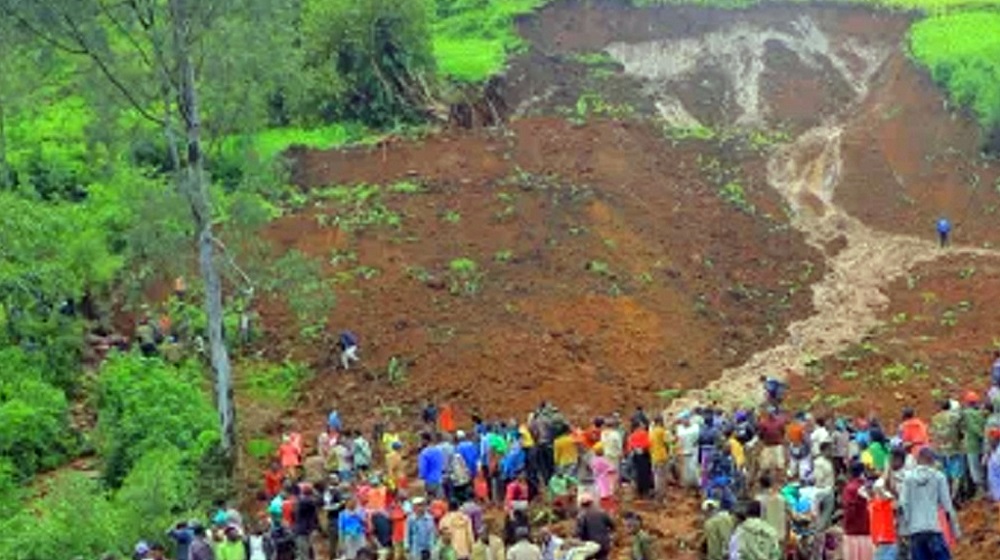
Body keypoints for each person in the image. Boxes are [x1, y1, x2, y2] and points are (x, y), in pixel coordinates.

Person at [902, 448, 961, 560]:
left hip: (916, 532)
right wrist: (955, 530)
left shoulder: (908, 479)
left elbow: (904, 505)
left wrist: (906, 529)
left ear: (918, 459)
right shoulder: (939, 477)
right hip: (933, 529)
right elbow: (948, 507)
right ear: (932, 460)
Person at [930, 400, 964, 500]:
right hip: (954, 450)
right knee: (956, 476)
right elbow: (962, 432)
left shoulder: (934, 418)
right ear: (950, 407)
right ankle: (954, 498)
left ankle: (945, 498)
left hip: (939, 451)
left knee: (944, 475)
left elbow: (932, 434)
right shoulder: (956, 417)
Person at [843, 461, 874, 560]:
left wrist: (846, 525)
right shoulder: (869, 487)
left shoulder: (850, 488)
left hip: (853, 532)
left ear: (850, 473)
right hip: (867, 530)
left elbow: (849, 511)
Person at [959, 391, 986, 497]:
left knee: (974, 469)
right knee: (982, 467)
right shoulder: (981, 413)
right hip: (982, 445)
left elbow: (972, 428)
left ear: (967, 402)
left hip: (971, 445)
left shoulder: (966, 414)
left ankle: (980, 491)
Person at [575, 494, 613, 560]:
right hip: (604, 544)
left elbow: (579, 533)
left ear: (582, 505)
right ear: (592, 502)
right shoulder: (602, 512)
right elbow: (612, 525)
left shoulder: (581, 516)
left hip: (591, 546)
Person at [754, 475, 786, 550]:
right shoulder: (781, 499)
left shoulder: (759, 500)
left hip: (765, 537)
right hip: (779, 536)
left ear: (760, 485)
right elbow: (785, 518)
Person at [627, 422, 654, 499]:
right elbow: (648, 444)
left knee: (638, 473)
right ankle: (646, 490)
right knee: (646, 473)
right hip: (644, 455)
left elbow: (630, 447)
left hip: (636, 455)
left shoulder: (632, 436)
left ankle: (640, 490)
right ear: (638, 427)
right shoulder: (644, 434)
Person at [293, 485, 320, 560]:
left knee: (307, 554)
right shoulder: (304, 502)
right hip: (303, 532)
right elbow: (318, 501)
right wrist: (315, 493)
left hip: (304, 531)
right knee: (305, 555)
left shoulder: (301, 501)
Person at [676, 412, 701, 488]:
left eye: (684, 420)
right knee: (686, 470)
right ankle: (687, 485)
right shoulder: (680, 428)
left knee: (693, 468)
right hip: (684, 451)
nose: (683, 422)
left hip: (693, 451)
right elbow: (678, 439)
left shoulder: (695, 427)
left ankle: (696, 485)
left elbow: (697, 438)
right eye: (682, 420)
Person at [419, 433, 446, 498]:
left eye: (421, 440)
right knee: (440, 501)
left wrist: (422, 477)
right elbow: (443, 464)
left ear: (425, 440)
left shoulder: (424, 452)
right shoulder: (439, 450)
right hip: (440, 479)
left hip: (430, 480)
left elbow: (423, 470)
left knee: (432, 502)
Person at [649, 418, 670, 500]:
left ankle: (657, 493)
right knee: (662, 476)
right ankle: (661, 494)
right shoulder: (662, 431)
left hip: (654, 456)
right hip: (662, 456)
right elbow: (667, 442)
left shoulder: (651, 432)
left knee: (656, 476)